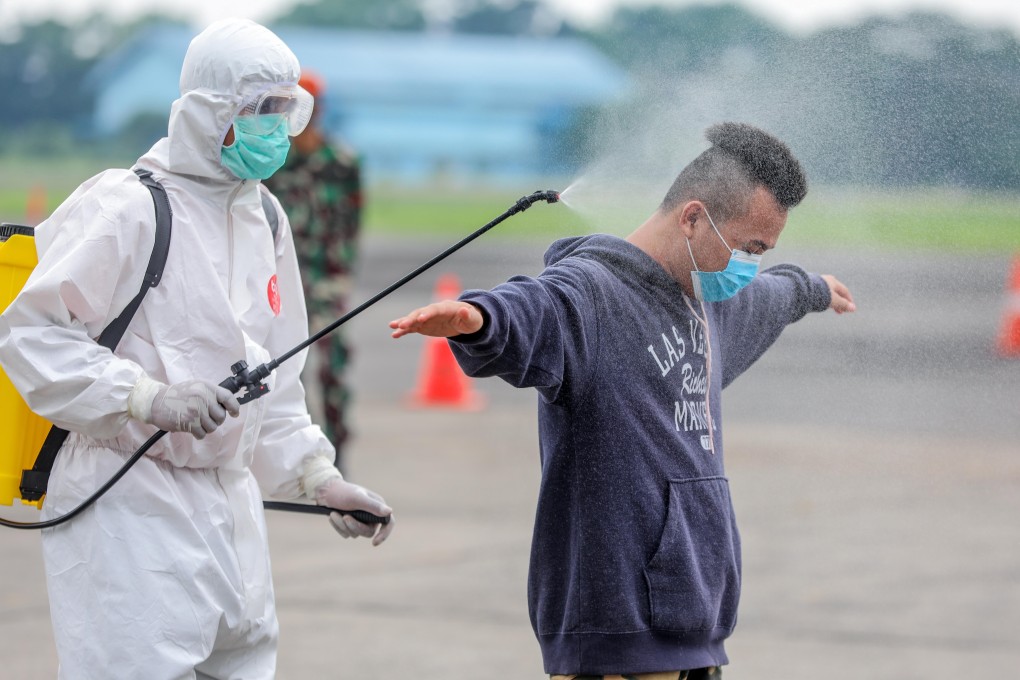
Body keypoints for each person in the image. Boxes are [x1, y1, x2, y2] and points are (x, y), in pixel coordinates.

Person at [0, 18, 393, 678]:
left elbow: (280, 382)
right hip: (124, 499)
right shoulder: (127, 207)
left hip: (229, 507)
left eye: (283, 110)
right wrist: (147, 396)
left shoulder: (265, 216)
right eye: (259, 109)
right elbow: (32, 336)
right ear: (210, 115)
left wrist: (319, 480)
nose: (275, 127)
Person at [389, 122, 855, 678]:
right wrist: (482, 320)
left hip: (694, 635)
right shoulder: (592, 292)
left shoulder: (710, 303)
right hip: (614, 647)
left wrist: (814, 289)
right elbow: (535, 308)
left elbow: (771, 294)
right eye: (748, 248)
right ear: (692, 218)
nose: (749, 265)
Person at [264, 69, 362, 474]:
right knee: (287, 365)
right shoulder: (273, 162)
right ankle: (302, 456)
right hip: (280, 282)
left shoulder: (341, 163)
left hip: (324, 280)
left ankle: (338, 452)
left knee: (330, 366)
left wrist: (340, 276)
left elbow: (353, 222)